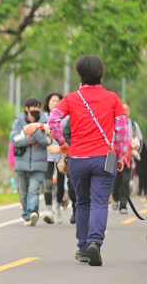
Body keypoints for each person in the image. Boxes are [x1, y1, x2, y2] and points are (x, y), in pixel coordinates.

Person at [48, 54, 129, 267]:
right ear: (100, 73)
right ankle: (95, 242)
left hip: (77, 159)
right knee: (100, 202)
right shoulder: (113, 98)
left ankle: (83, 248)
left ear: (79, 74)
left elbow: (53, 121)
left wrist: (63, 143)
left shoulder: (70, 98)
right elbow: (122, 131)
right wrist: (119, 156)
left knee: (82, 202)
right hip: (104, 158)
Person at [10, 97, 51, 226]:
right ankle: (27, 215)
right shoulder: (18, 122)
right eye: (33, 107)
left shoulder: (45, 122)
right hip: (21, 163)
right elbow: (15, 140)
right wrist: (31, 140)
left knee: (33, 190)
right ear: (26, 108)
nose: (36, 109)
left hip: (39, 164)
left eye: (38, 107)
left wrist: (34, 132)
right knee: (23, 192)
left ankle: (33, 212)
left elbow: (47, 141)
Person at [111, 102, 143, 213]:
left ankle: (123, 205)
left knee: (125, 181)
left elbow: (140, 141)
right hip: (112, 157)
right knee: (112, 180)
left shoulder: (133, 125)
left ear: (129, 112)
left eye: (125, 109)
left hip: (127, 158)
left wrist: (135, 152)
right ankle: (114, 197)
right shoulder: (112, 123)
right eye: (121, 109)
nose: (123, 112)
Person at [42, 92, 65, 224]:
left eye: (58, 101)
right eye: (53, 101)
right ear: (48, 103)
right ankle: (49, 210)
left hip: (61, 155)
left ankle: (58, 207)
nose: (55, 103)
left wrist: (61, 147)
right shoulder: (43, 117)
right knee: (48, 183)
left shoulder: (65, 118)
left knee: (60, 185)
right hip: (47, 156)